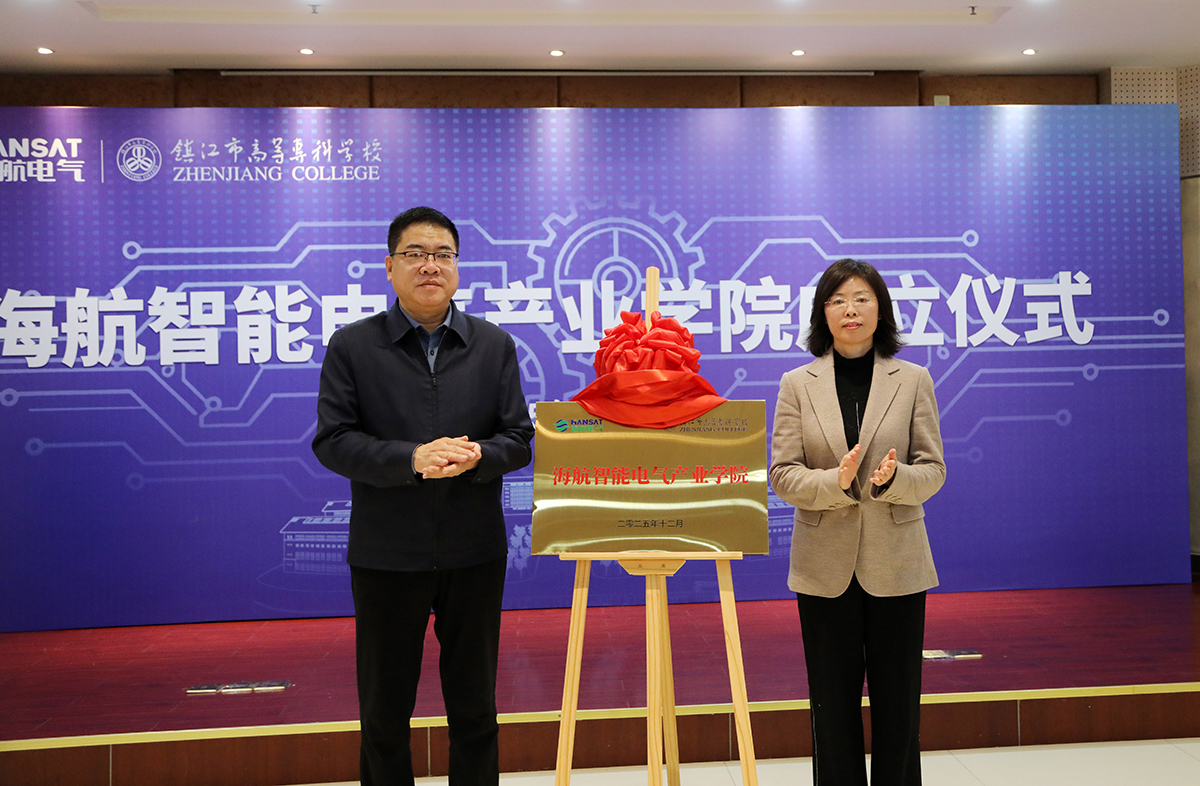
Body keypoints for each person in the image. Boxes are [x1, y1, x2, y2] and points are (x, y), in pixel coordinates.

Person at [312, 205, 534, 786]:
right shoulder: (353, 346)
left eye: (442, 255)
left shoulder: (493, 345)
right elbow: (333, 441)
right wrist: (410, 458)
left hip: (474, 549)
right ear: (390, 267)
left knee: (475, 708)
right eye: (415, 254)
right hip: (387, 552)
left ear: (457, 266)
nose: (430, 266)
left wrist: (480, 455)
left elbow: (519, 439)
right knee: (384, 711)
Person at [768, 258, 945, 786]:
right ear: (823, 312)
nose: (851, 310)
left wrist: (894, 480)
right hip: (824, 566)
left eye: (862, 299)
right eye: (838, 300)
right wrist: (836, 482)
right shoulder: (797, 384)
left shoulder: (912, 379)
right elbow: (782, 474)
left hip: (897, 562)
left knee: (899, 706)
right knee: (831, 707)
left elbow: (933, 469)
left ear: (880, 309)